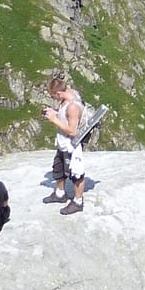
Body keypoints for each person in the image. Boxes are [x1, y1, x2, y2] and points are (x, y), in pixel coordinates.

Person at [41, 74, 88, 214]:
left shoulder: (73, 107)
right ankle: (60, 194)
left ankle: (78, 202)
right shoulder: (68, 95)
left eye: (53, 96)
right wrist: (54, 112)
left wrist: (54, 119)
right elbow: (64, 117)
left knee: (76, 173)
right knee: (58, 168)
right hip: (62, 143)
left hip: (71, 145)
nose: (53, 98)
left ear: (58, 93)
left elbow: (73, 131)